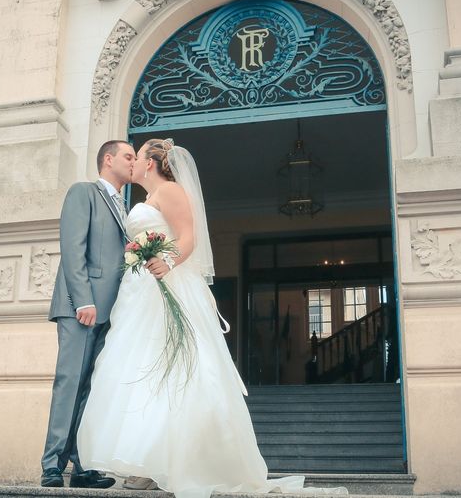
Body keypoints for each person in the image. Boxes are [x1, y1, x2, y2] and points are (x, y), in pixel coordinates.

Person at [76, 139, 347, 498]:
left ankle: (179, 460)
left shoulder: (170, 191)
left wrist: (167, 261)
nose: (133, 163)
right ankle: (147, 459)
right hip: (139, 292)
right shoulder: (145, 200)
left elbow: (188, 239)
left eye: (137, 156)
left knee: (177, 370)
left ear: (152, 163)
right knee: (142, 368)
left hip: (166, 285)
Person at [40, 140, 136, 488]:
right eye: (128, 156)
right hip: (81, 307)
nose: (133, 161)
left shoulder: (124, 208)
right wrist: (83, 300)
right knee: (70, 383)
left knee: (91, 390)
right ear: (107, 160)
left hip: (109, 313)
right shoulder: (84, 193)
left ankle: (82, 466)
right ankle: (52, 464)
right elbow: (72, 247)